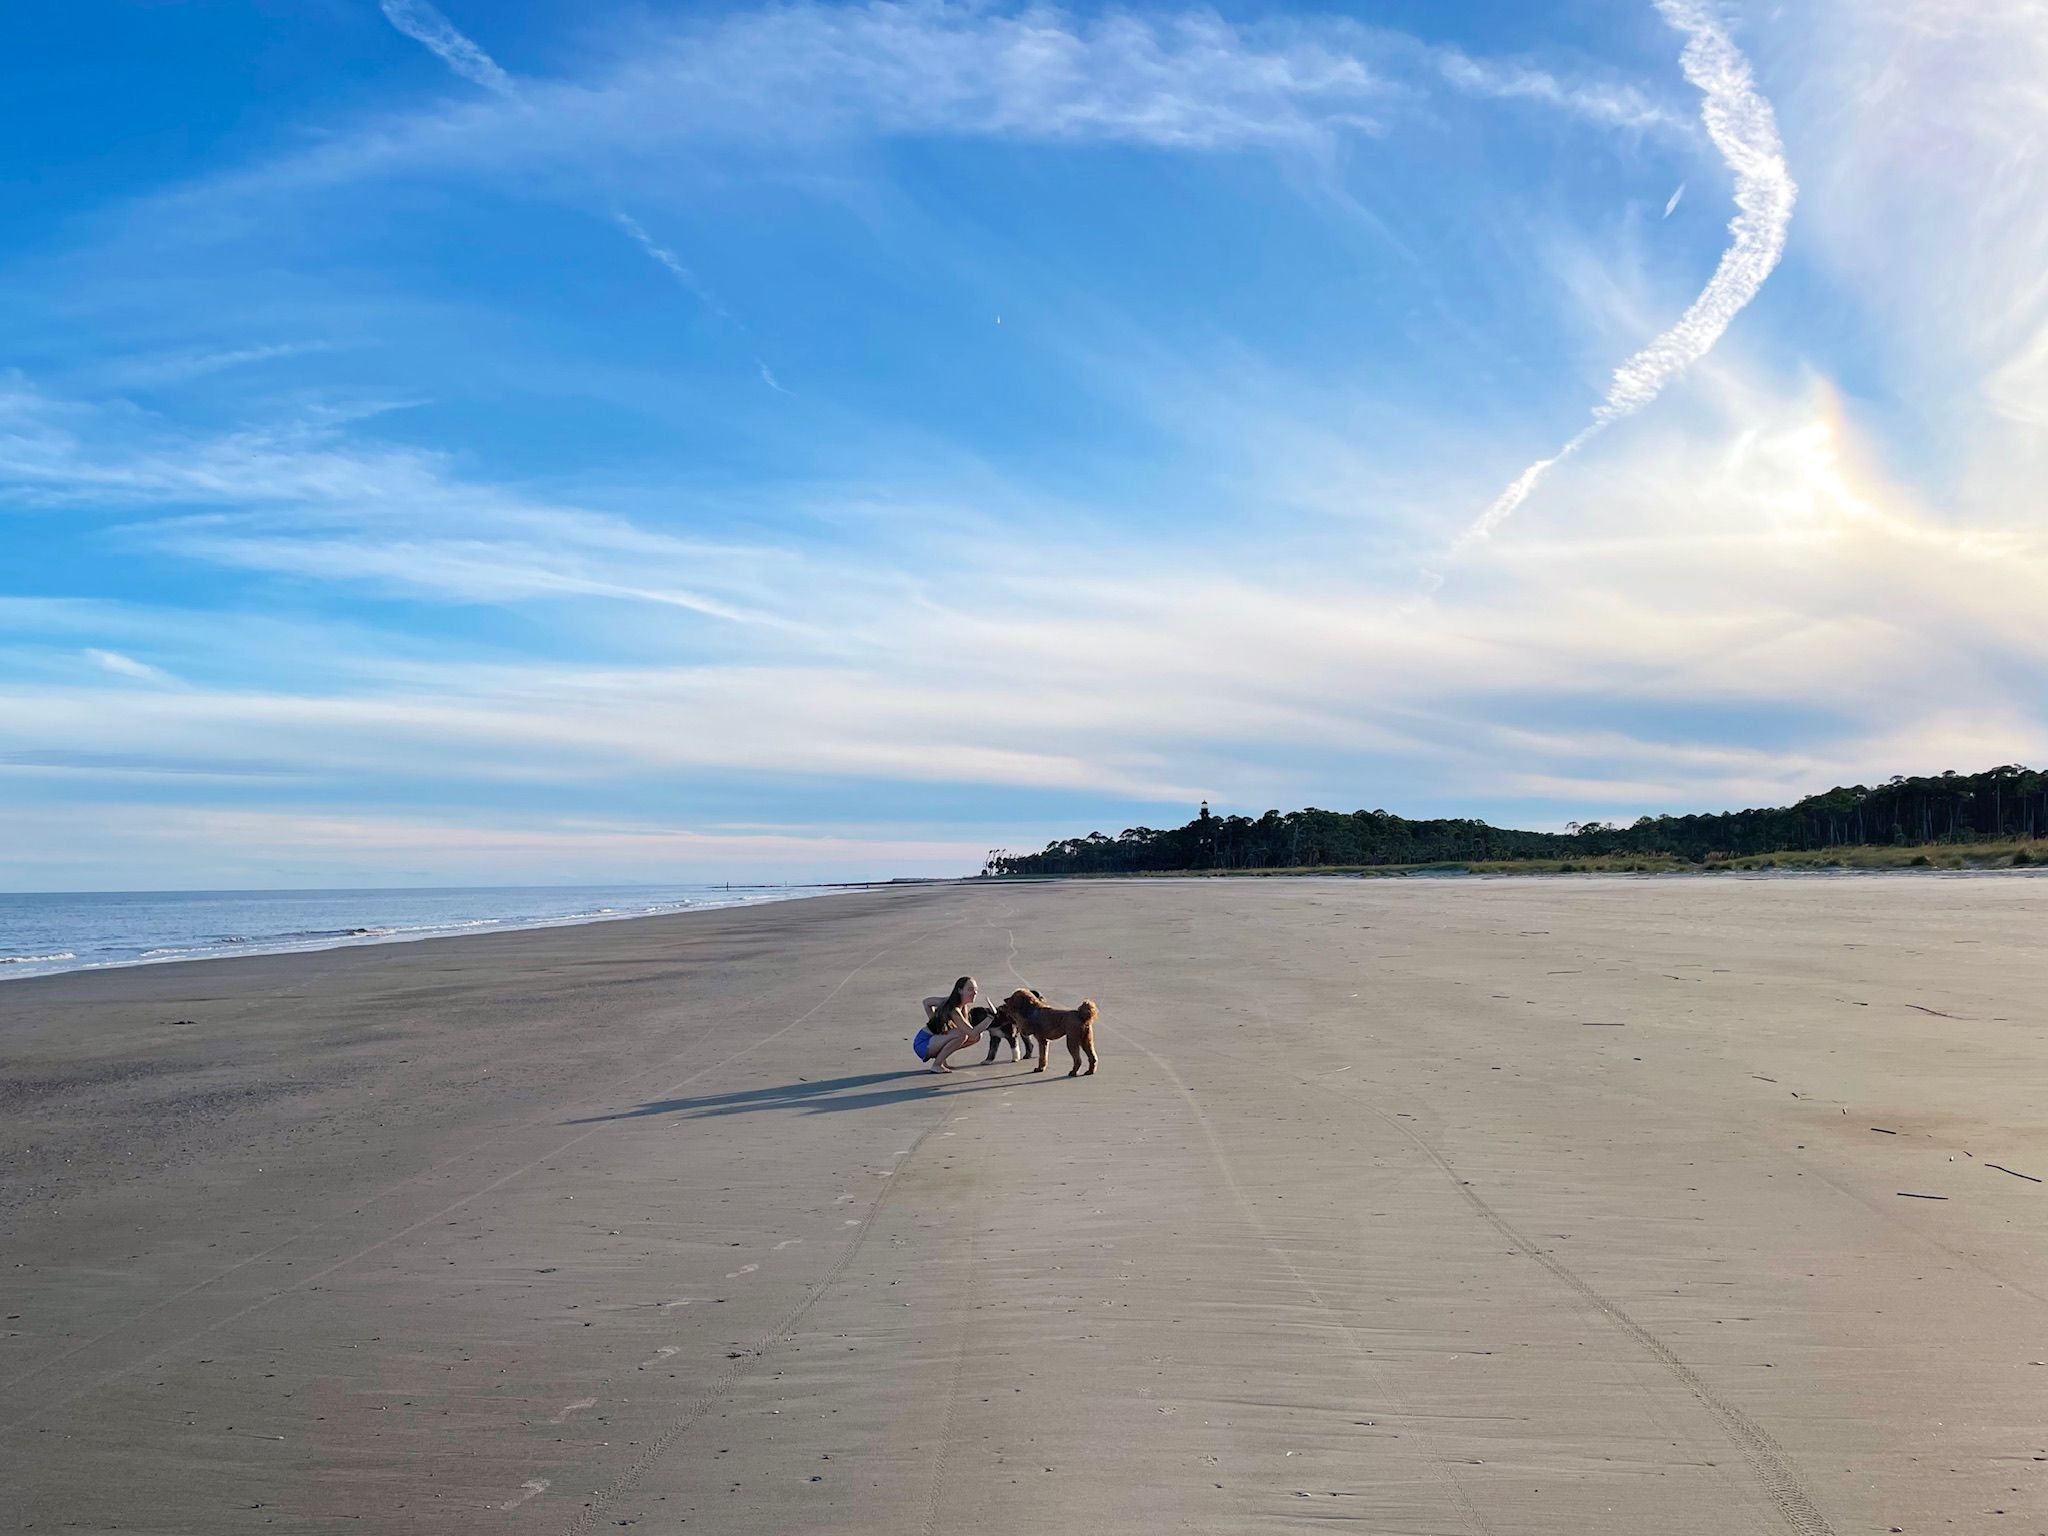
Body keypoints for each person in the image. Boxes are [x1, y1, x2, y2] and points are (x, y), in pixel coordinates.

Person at [914, 975, 984, 1073]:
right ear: (960, 990)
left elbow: (973, 1034)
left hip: (933, 1041)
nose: (975, 992)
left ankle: (941, 1059)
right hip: (923, 1042)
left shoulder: (963, 1007)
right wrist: (934, 1021)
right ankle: (937, 1065)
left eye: (976, 989)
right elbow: (926, 1002)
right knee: (961, 1034)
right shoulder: (950, 1005)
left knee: (976, 1037)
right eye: (970, 989)